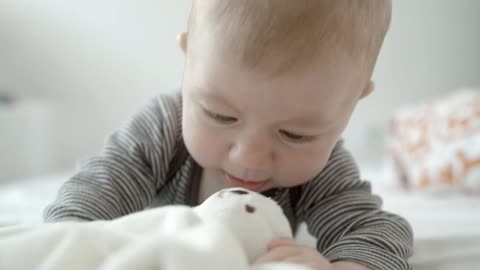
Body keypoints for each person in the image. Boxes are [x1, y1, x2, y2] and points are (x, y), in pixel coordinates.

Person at [45, 1, 413, 269]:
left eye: (295, 135)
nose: (248, 158)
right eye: (220, 116)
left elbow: (376, 232)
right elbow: (89, 197)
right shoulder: (161, 131)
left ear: (350, 107)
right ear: (188, 59)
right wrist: (74, 249)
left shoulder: (325, 168)